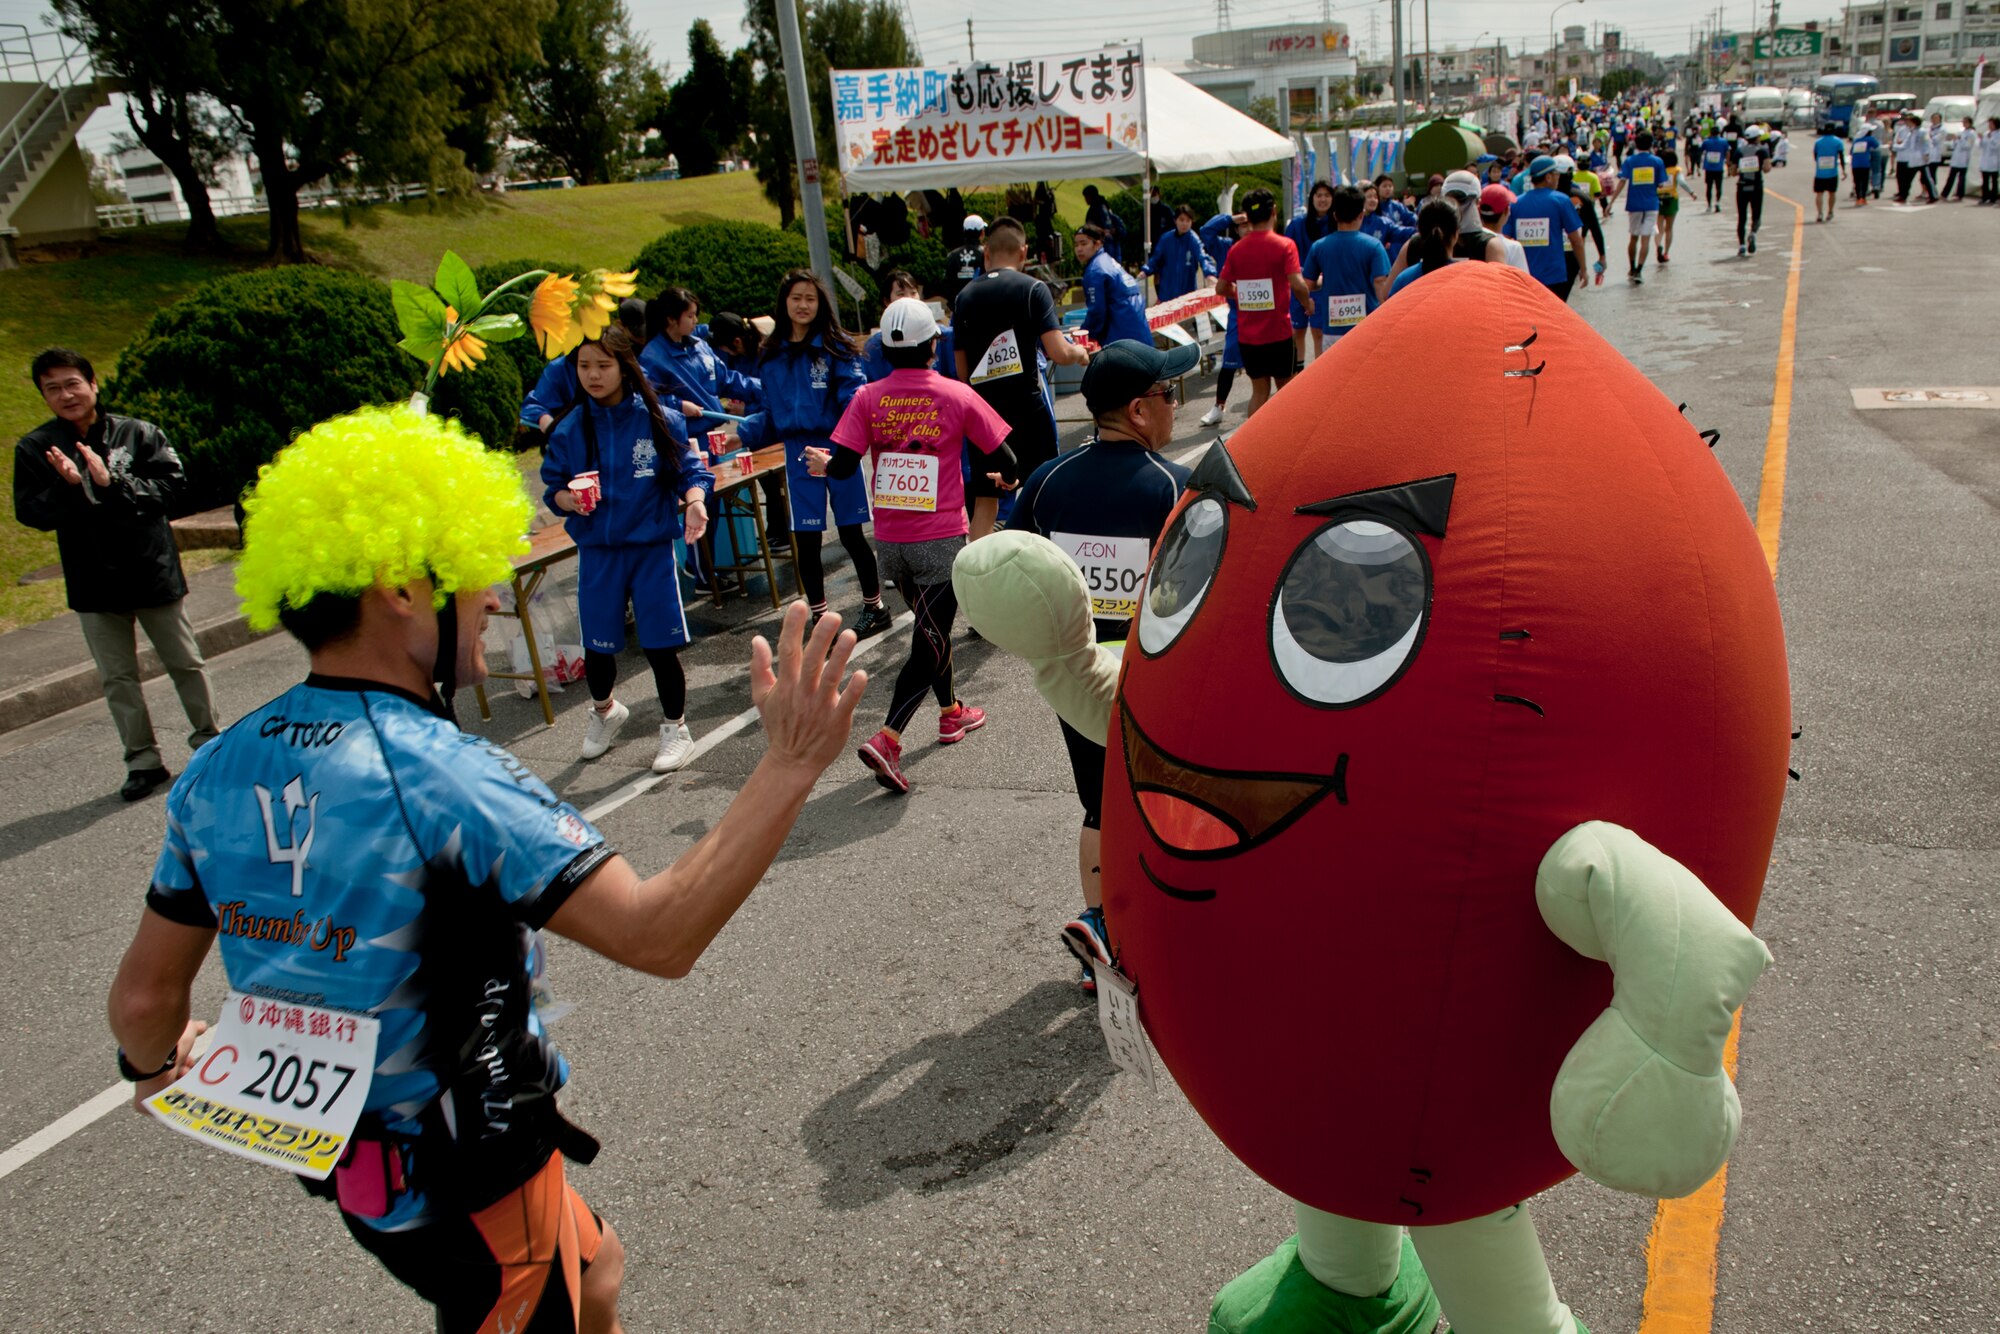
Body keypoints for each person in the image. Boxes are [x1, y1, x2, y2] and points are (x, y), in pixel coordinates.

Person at [109, 402, 866, 1334]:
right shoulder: (443, 772)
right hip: (472, 1168)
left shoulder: (218, 765)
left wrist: (148, 1067)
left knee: (597, 1269)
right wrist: (786, 766)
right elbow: (658, 933)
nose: (493, 599)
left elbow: (146, 1001)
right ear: (398, 585)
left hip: (357, 1168)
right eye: (473, 578)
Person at [998, 339, 1193, 993]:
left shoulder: (1048, 481)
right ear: (1140, 410)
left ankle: (1101, 926)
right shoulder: (1170, 486)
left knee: (1097, 802)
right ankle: (1124, 932)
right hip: (1151, 679)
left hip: (1072, 675)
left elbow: (1010, 566)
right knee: (1154, 804)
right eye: (1170, 395)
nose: (1175, 407)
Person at [807, 299, 1017, 794]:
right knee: (929, 639)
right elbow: (1007, 455)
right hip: (940, 539)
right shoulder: (956, 393)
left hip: (893, 543)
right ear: (934, 345)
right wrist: (1005, 478)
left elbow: (840, 465)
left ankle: (950, 713)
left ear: (883, 347)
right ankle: (888, 737)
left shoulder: (866, 397)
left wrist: (822, 462)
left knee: (931, 632)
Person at [14, 347, 219, 800]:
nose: (65, 394)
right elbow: (30, 512)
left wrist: (113, 483)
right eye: (53, 388)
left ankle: (211, 744)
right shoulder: (35, 448)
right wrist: (68, 487)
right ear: (44, 397)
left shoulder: (138, 433)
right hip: (93, 580)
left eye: (72, 383)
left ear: (93, 384)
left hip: (151, 569)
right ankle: (143, 761)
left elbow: (174, 489)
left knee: (185, 662)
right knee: (118, 678)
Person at [542, 327, 713, 770]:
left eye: (603, 365)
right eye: (584, 366)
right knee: (598, 647)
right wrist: (568, 499)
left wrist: (695, 503)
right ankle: (605, 711)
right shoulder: (570, 428)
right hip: (598, 549)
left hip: (651, 548)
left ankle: (676, 728)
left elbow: (691, 472)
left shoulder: (659, 419)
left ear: (624, 367)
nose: (593, 375)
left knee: (660, 645)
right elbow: (552, 489)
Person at [737, 270, 894, 637]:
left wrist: (848, 443)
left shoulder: (836, 347)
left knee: (852, 533)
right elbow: (770, 412)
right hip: (797, 453)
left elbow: (855, 397)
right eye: (796, 298)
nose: (803, 305)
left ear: (820, 303)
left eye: (810, 298)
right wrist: (742, 434)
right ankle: (821, 618)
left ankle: (875, 607)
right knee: (806, 540)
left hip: (840, 444)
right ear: (784, 304)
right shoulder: (772, 354)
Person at [953, 217, 1091, 540]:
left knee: (985, 504)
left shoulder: (964, 297)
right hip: (1029, 411)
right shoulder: (1033, 289)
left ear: (986, 253)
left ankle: (978, 582)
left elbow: (962, 372)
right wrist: (1081, 354)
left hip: (983, 418)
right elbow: (1058, 351)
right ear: (1024, 252)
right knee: (1045, 488)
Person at [1215, 187, 1313, 417]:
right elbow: (1297, 283)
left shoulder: (1237, 249)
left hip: (1249, 337)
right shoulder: (1284, 245)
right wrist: (1307, 303)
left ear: (1247, 216)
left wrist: (1241, 293)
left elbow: (1221, 287)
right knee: (1287, 392)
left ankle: (1255, 446)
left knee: (1259, 392)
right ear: (1274, 212)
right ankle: (1290, 442)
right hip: (1278, 334)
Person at [1300, 185, 1392, 343]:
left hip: (1332, 331)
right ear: (1361, 215)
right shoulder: (1374, 246)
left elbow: (1307, 284)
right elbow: (1380, 283)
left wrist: (1310, 299)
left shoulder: (1319, 247)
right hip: (1367, 328)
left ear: (1334, 215)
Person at [1503, 157, 1585, 302]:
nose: (1558, 177)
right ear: (1548, 177)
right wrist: (1583, 269)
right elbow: (1576, 240)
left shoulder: (1516, 203)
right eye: (1556, 174)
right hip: (1554, 276)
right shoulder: (1561, 200)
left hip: (1523, 276)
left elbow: (1506, 240)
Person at [1197, 214, 1244, 429]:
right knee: (1230, 359)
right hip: (1237, 312)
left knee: (1267, 363)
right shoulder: (1227, 246)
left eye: (1249, 222)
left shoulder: (1265, 243)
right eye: (1242, 225)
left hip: (1265, 312)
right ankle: (1219, 406)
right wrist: (1230, 218)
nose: (1246, 227)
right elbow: (1206, 232)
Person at [1284, 182, 1337, 367]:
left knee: (1318, 332)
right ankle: (1298, 373)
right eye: (1318, 195)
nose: (1322, 199)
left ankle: (1318, 373)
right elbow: (1287, 253)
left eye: (1327, 195)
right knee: (1297, 331)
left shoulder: (1336, 224)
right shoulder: (1297, 225)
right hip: (1299, 285)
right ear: (1311, 198)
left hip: (1323, 287)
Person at [1075, 223, 1152, 350]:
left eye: (1084, 244)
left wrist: (1084, 334)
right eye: (1076, 245)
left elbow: (1097, 312)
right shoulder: (1109, 261)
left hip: (1122, 339)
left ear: (1098, 244)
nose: (1079, 249)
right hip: (1139, 334)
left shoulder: (1095, 271)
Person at [1386, 199, 1463, 298]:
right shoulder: (1468, 279)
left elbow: (1387, 299)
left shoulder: (1403, 280)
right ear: (1456, 234)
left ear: (1420, 232)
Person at [1140, 204, 1216, 303]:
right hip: (1166, 294)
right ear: (1175, 220)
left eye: (1188, 221)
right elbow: (1155, 259)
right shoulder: (1166, 239)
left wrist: (1209, 273)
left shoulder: (1193, 240)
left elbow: (1202, 256)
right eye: (1181, 220)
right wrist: (1146, 271)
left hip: (1187, 296)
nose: (1185, 224)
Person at [860, 270, 926, 381]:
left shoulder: (941, 336)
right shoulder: (873, 346)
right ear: (887, 301)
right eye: (901, 294)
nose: (909, 299)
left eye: (913, 293)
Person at [1619, 131, 1666, 284]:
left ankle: (1632, 268)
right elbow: (1661, 184)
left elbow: (1622, 181)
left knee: (1633, 237)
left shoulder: (1630, 161)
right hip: (1651, 204)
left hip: (1634, 205)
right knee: (1646, 239)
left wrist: (1611, 202)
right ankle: (1639, 269)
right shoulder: (1657, 161)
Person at [1731, 125, 1774, 258]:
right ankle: (1753, 233)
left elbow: (1732, 172)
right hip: (1756, 187)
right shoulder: (1762, 151)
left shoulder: (1739, 151)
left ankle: (1741, 246)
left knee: (1741, 217)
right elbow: (1767, 169)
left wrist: (1742, 169)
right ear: (1757, 138)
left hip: (1742, 186)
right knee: (1756, 215)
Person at [941, 216, 986, 304]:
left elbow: (945, 284)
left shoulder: (953, 255)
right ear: (982, 233)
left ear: (964, 231)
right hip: (982, 307)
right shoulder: (988, 254)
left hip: (959, 307)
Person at [1895, 113, 1936, 203]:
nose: (1907, 123)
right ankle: (1903, 196)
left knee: (1927, 178)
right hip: (1913, 159)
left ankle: (1933, 196)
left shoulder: (1922, 131)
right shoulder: (1912, 132)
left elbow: (1926, 143)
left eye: (1909, 121)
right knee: (1907, 179)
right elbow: (1905, 145)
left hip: (1921, 159)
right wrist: (1894, 147)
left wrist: (1926, 154)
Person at [1813, 123, 1846, 222]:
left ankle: (1819, 213)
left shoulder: (1818, 142)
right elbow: (1841, 156)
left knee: (1819, 193)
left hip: (1820, 172)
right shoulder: (1838, 141)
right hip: (1832, 172)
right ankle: (1830, 211)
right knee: (1832, 192)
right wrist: (1844, 170)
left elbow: (1815, 156)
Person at [1655, 141, 1681, 262]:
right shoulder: (1676, 170)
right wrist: (1691, 192)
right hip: (1671, 199)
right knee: (1669, 229)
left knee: (1659, 228)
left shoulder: (1658, 170)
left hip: (1659, 199)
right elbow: (1682, 182)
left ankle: (1658, 245)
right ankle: (1666, 253)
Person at [1943, 118, 1974, 201]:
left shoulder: (1972, 133)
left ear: (1970, 123)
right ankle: (1945, 194)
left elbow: (1968, 146)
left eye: (1966, 122)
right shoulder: (1961, 132)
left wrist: (1960, 139)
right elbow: (1954, 145)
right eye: (1963, 122)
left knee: (1961, 178)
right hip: (1956, 158)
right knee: (1951, 177)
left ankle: (1960, 194)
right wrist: (1954, 140)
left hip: (1964, 159)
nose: (1964, 123)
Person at [1849, 123, 1879, 206]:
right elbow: (1876, 145)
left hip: (1855, 164)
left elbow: (1851, 152)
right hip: (1865, 163)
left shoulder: (1856, 140)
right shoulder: (1870, 139)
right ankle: (1863, 198)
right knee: (1865, 181)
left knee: (1857, 181)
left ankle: (1858, 198)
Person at [1980, 118, 2000, 206]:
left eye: (1991, 124)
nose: (1990, 126)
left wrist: (1990, 139)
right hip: (1985, 160)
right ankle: (1985, 197)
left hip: (1994, 160)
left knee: (1994, 181)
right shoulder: (1986, 133)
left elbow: (1997, 147)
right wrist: (1981, 139)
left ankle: (1993, 198)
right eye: (1989, 124)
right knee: (1985, 180)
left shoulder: (1998, 134)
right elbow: (1981, 146)